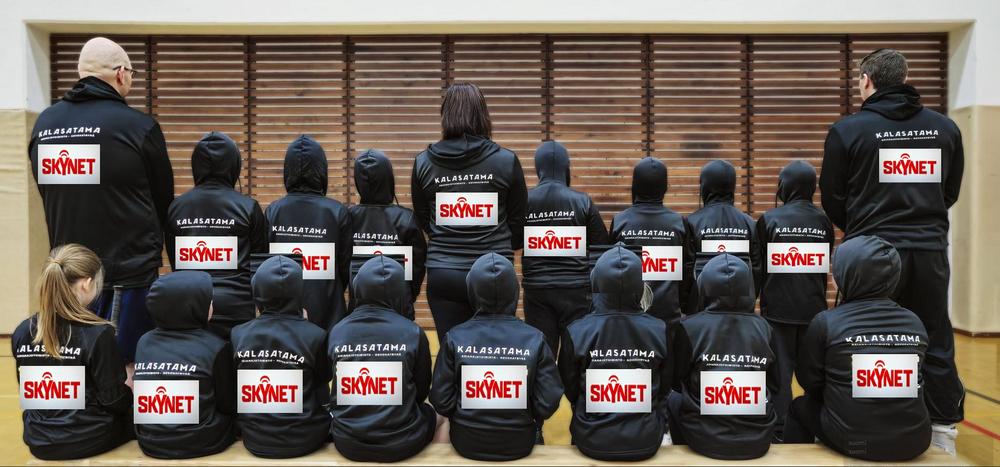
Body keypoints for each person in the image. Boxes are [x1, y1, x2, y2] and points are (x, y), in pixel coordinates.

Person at [819, 49, 964, 451]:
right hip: (928, 250)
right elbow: (949, 191)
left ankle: (860, 418)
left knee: (860, 334)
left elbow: (832, 196)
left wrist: (862, 229)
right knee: (934, 335)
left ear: (866, 81)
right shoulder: (945, 128)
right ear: (904, 78)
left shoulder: (848, 130)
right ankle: (943, 430)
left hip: (870, 252)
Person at [28, 37, 173, 367]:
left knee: (72, 369)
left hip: (66, 275)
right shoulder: (139, 127)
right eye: (132, 74)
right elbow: (163, 203)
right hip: (128, 278)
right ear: (121, 74)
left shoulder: (45, 126)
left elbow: (49, 193)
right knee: (125, 371)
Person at [784, 236, 931, 461]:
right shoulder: (914, 321)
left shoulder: (826, 322)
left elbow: (809, 381)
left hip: (855, 443)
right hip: (915, 441)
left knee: (798, 407)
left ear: (848, 274)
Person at [411, 82, 528, 344]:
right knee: (495, 355)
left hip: (444, 273)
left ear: (445, 116)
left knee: (451, 353)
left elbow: (424, 220)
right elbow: (519, 223)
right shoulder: (506, 160)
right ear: (482, 115)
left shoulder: (423, 163)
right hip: (494, 274)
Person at [431, 253, 563, 461]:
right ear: (514, 291)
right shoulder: (535, 338)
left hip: (466, 442)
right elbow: (548, 401)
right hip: (520, 442)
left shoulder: (454, 337)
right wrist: (528, 416)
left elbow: (441, 400)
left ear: (472, 290)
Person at [12, 244, 133, 460]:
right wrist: (130, 390)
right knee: (146, 414)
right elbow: (113, 401)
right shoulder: (98, 333)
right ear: (86, 284)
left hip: (39, 439)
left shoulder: (23, 331)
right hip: (86, 438)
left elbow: (32, 394)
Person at [558, 245, 669, 461]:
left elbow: (570, 388)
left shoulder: (576, 330)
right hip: (645, 440)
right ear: (639, 285)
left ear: (596, 282)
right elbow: (665, 386)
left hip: (591, 438)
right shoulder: (660, 329)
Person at [665, 253, 778, 460]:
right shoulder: (765, 328)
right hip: (757, 440)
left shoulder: (689, 327)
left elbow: (676, 381)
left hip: (703, 439)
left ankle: (681, 452)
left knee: (673, 398)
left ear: (705, 286)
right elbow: (774, 383)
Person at [754, 160, 834, 440]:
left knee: (779, 381)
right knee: (817, 378)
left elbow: (759, 268)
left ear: (783, 186)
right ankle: (819, 429)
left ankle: (779, 434)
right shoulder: (823, 221)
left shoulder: (769, 220)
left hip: (778, 314)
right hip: (815, 314)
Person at [328, 256, 436, 462]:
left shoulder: (338, 331)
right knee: (438, 415)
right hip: (402, 444)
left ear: (359, 287)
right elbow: (421, 391)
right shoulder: (413, 332)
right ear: (400, 291)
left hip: (347, 443)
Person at [166, 131, 268, 338]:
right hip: (236, 307)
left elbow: (176, 262)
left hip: (189, 305)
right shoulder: (248, 207)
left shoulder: (177, 207)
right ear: (234, 165)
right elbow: (259, 264)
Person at [230, 255, 331, 458]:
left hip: (255, 437)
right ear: (299, 292)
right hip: (305, 438)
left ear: (258, 290)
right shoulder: (316, 335)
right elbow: (323, 381)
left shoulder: (238, 333)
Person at [133, 270, 236, 459]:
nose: (212, 305)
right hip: (201, 441)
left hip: (151, 440)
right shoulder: (216, 346)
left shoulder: (144, 342)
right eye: (208, 300)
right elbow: (227, 404)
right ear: (193, 306)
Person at [522, 140, 609, 354]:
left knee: (542, 356)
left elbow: (513, 240)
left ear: (538, 167)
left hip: (537, 291)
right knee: (575, 355)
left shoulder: (525, 201)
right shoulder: (582, 201)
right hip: (576, 291)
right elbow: (602, 248)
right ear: (565, 167)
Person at [265, 135, 352, 329]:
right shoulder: (337, 212)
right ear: (322, 169)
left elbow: (265, 266)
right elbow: (346, 268)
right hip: (329, 314)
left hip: (282, 316)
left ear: (287, 170)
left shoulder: (273, 211)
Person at [611, 156, 693, 322]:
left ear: (635, 184)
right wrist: (682, 305)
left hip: (629, 318)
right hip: (668, 319)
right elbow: (688, 271)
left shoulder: (620, 222)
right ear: (665, 187)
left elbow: (609, 269)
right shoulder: (679, 223)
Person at [349, 148, 426, 320]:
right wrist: (407, 297)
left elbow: (341, 265)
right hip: (400, 308)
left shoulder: (348, 217)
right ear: (388, 177)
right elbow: (417, 267)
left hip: (358, 309)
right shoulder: (406, 218)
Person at [684, 160, 762, 315]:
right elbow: (756, 272)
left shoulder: (692, 223)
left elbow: (686, 271)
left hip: (701, 314)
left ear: (704, 187)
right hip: (741, 313)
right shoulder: (748, 223)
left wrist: (688, 306)